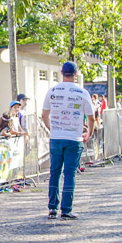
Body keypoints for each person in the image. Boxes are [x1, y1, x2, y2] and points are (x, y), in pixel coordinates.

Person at [42, 61, 95, 220]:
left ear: (61, 72)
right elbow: (91, 117)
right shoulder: (82, 92)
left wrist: (53, 129)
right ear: (76, 74)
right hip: (74, 138)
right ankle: (66, 209)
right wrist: (89, 133)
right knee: (70, 173)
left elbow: (44, 115)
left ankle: (52, 208)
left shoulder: (52, 91)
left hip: (56, 137)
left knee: (54, 172)